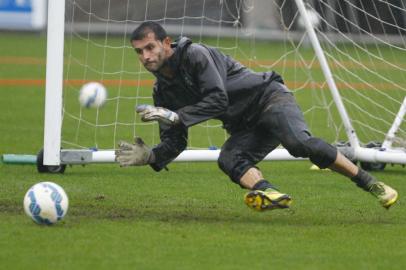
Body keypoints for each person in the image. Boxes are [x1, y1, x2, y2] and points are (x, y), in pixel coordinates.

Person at [115, 21, 398, 211]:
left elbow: (217, 98)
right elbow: (176, 140)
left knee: (298, 144)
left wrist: (176, 115)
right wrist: (152, 156)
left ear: (166, 43)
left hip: (270, 98)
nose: (145, 57)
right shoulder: (161, 91)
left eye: (150, 48)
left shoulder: (195, 54)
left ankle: (368, 181)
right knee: (228, 159)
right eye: (139, 52)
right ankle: (269, 193)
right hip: (245, 124)